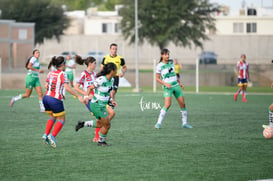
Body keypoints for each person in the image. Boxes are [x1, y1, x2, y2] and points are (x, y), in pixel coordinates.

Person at [42, 56, 84, 148]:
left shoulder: (50, 73)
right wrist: (78, 96)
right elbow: (67, 87)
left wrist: (59, 92)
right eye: (65, 64)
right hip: (54, 99)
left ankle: (45, 134)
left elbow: (46, 85)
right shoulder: (62, 74)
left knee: (52, 117)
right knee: (61, 119)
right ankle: (52, 136)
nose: (66, 66)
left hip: (46, 98)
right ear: (62, 65)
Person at [73, 55, 115, 142]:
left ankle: (86, 125)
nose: (96, 65)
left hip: (98, 98)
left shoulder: (95, 74)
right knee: (101, 118)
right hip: (90, 100)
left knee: (111, 114)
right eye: (95, 63)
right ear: (90, 64)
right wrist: (86, 96)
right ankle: (98, 136)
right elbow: (76, 87)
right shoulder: (84, 74)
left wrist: (110, 99)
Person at [154, 48, 192, 129]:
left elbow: (173, 74)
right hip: (167, 87)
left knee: (183, 104)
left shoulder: (171, 62)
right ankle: (158, 123)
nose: (167, 56)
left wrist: (179, 82)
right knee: (167, 104)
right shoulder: (159, 66)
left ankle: (184, 123)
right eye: (166, 54)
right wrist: (165, 84)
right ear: (162, 55)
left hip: (176, 86)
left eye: (168, 54)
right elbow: (157, 78)